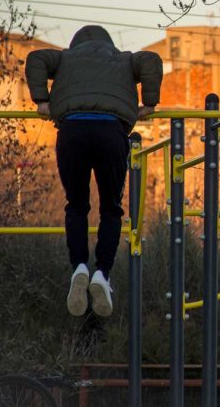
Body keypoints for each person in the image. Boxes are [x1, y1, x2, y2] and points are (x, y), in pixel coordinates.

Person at [25, 25, 163, 317]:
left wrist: (42, 101)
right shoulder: (123, 58)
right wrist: (149, 103)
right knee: (111, 209)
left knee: (76, 206)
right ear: (108, 44)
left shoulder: (64, 58)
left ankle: (79, 268)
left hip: (72, 130)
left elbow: (36, 58)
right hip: (111, 132)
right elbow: (151, 60)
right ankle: (102, 273)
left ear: (76, 45)